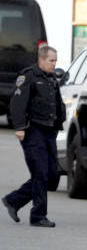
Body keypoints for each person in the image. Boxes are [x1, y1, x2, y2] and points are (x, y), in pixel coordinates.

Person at [2, 46, 66, 227]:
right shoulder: (28, 76)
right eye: (51, 60)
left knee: (52, 174)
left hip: (49, 131)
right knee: (40, 173)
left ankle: (14, 200)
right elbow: (17, 102)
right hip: (33, 130)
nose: (54, 64)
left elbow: (56, 103)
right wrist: (20, 127)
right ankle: (38, 215)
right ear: (41, 59)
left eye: (55, 61)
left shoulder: (51, 78)